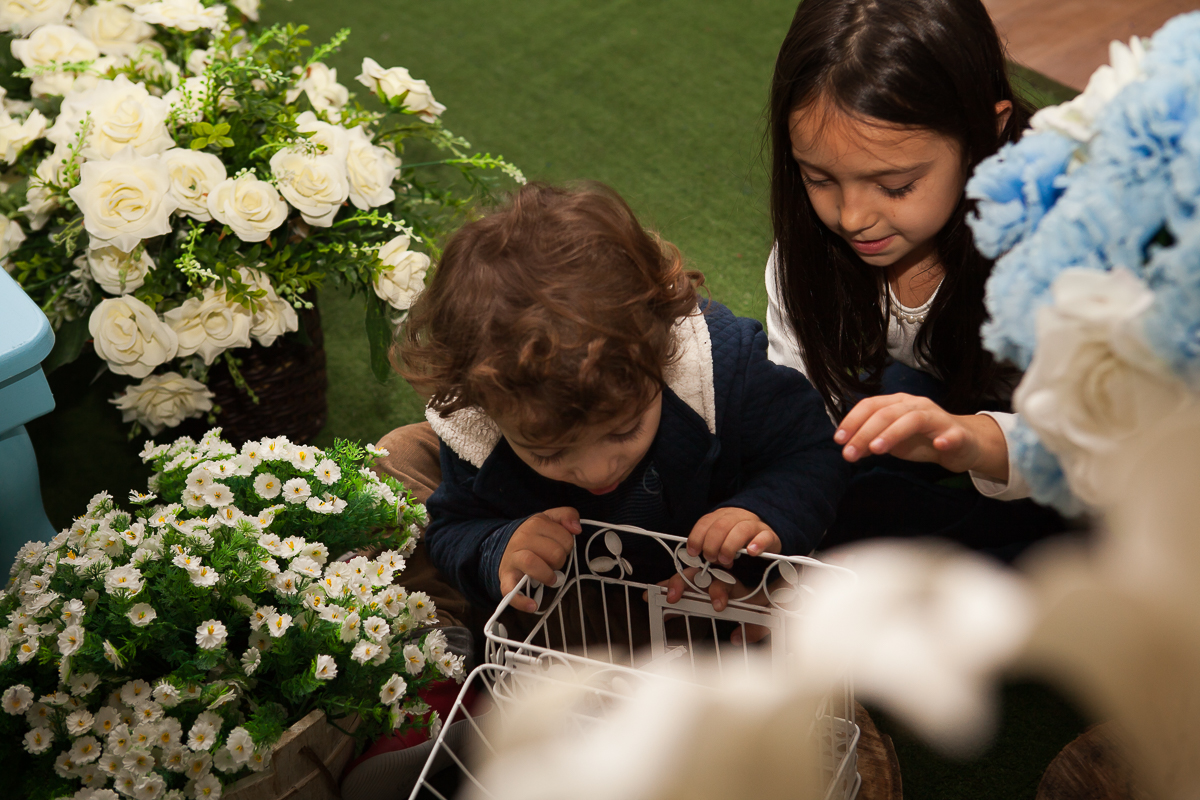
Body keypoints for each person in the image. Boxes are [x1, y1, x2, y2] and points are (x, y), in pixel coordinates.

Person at [394, 182, 850, 620]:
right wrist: (499, 548)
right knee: (398, 456)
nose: (598, 471)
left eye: (624, 430)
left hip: (694, 594)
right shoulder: (477, 422)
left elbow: (811, 451)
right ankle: (438, 635)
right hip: (569, 591)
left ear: (660, 353)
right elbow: (452, 526)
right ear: (485, 408)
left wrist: (761, 510)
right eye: (549, 452)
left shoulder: (721, 372)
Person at [764, 0, 1067, 553]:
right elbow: (796, 417)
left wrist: (975, 441)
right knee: (860, 447)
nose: (852, 217)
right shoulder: (809, 257)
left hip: (1097, 421)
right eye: (818, 177)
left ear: (986, 134)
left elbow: (1112, 439)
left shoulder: (1062, 253)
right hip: (955, 381)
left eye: (896, 185)